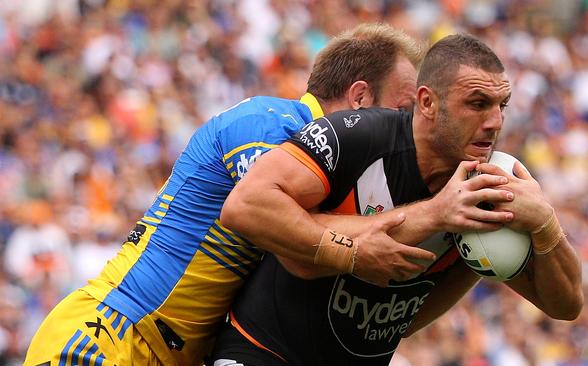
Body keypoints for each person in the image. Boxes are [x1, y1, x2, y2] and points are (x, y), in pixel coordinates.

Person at [23, 23, 437, 366]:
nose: (406, 131)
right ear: (360, 98)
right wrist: (432, 215)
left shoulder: (318, 164)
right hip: (111, 334)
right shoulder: (273, 121)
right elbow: (266, 211)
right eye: (402, 114)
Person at [210, 33, 584, 365]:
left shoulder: (488, 184)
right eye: (477, 103)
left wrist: (545, 223)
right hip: (261, 351)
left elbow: (565, 304)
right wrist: (415, 224)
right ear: (426, 103)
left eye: (502, 105)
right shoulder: (358, 135)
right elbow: (246, 206)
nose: (495, 122)